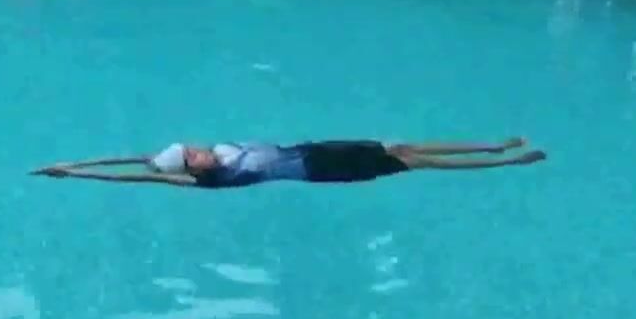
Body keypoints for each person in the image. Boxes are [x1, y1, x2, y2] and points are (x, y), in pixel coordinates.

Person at [31, 138, 546, 189]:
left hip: (316, 148)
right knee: (417, 164)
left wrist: (71, 160)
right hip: (324, 171)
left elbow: (136, 158)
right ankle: (508, 164)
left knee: (404, 145)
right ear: (192, 168)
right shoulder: (208, 180)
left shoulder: (201, 159)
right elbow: (136, 178)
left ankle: (492, 147)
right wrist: (79, 176)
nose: (200, 149)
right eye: (192, 155)